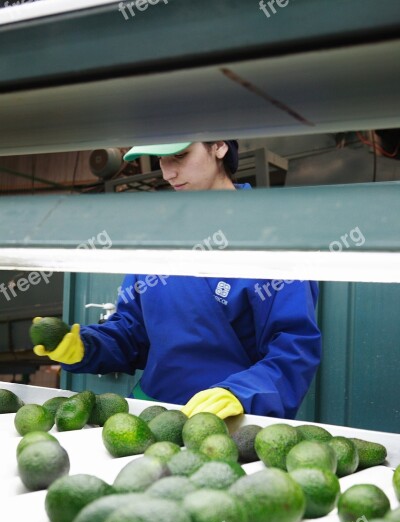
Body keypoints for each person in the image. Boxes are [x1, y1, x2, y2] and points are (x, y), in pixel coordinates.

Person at [33, 141, 321, 419]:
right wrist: (87, 345)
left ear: (219, 146)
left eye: (180, 156)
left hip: (226, 422)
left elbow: (294, 347)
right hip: (149, 417)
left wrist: (243, 394)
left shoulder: (272, 237)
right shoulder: (160, 238)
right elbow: (132, 333)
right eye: (161, 159)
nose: (168, 172)